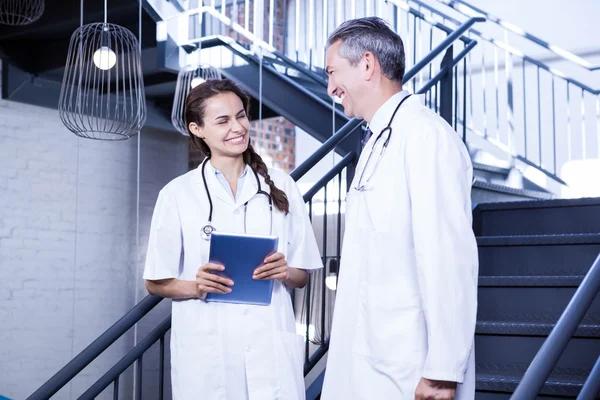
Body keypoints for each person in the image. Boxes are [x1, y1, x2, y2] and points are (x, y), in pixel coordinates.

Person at [320, 17, 479, 400]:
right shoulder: (378, 139)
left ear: (368, 65)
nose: (330, 88)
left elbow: (446, 256)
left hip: (406, 364)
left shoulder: (425, 136)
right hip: (370, 356)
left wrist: (442, 370)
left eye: (332, 72)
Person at [143, 79, 323, 399]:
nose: (237, 127)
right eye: (223, 120)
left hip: (269, 346)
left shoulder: (282, 186)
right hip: (207, 350)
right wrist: (195, 287)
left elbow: (301, 276)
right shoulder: (177, 194)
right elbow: (155, 282)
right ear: (197, 129)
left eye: (241, 116)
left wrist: (284, 271)